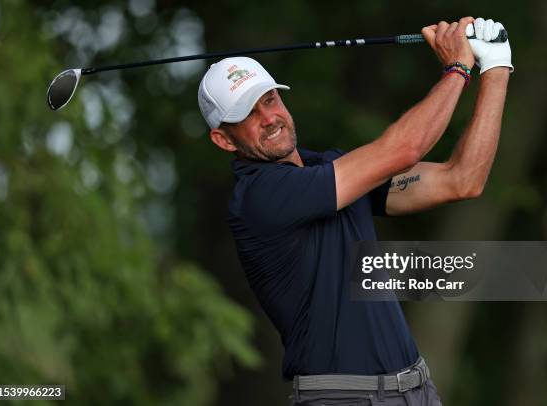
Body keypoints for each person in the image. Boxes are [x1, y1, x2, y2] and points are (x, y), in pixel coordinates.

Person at [198, 16, 512, 406]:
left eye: (270, 99)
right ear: (223, 140)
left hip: (417, 390)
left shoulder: (326, 171)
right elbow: (404, 149)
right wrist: (458, 68)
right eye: (247, 114)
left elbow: (462, 180)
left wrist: (496, 68)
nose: (269, 118)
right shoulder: (259, 197)